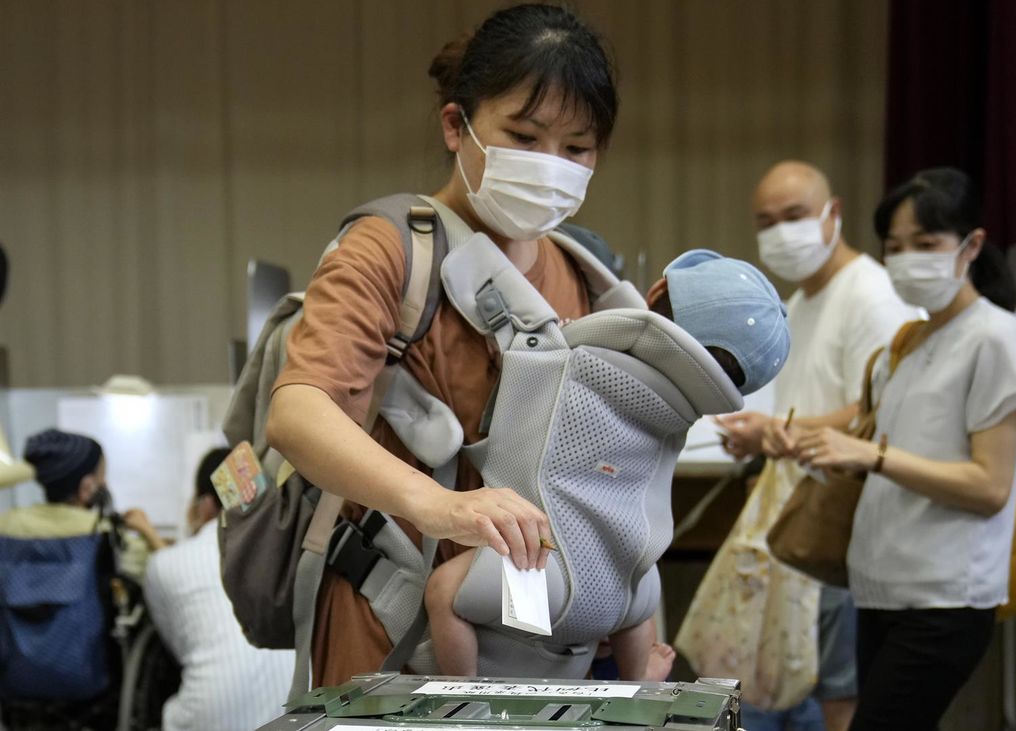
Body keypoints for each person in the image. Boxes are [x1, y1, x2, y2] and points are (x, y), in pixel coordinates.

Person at [265, 4, 630, 686]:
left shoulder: (584, 276)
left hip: (529, 630)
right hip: (390, 618)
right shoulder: (389, 249)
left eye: (576, 148)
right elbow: (297, 412)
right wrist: (440, 507)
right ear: (456, 127)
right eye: (523, 137)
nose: (550, 165)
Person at [423, 249, 789, 680]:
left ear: (653, 292)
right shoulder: (682, 412)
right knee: (639, 581)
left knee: (444, 593)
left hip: (546, 572)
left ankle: (461, 697)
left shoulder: (575, 356)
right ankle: (640, 684)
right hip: (629, 586)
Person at [775, 167, 1016, 729]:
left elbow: (990, 487)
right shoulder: (909, 340)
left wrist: (873, 457)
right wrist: (817, 443)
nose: (906, 259)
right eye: (894, 247)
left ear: (971, 246)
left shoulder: (994, 337)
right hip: (880, 588)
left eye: (926, 244)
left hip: (944, 596)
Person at [702, 161, 913, 731]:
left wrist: (774, 434)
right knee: (797, 684)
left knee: (840, 691)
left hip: (846, 521)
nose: (780, 232)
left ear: (834, 213)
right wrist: (763, 435)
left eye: (794, 216)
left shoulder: (872, 295)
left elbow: (877, 411)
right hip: (803, 517)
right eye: (766, 221)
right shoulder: (797, 304)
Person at [143, 448, 295, 731]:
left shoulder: (162, 564)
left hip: (211, 716)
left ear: (206, 504)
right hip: (298, 704)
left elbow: (177, 644)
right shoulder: (284, 549)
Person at [0, 428, 164, 579]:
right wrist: (147, 531)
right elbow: (170, 577)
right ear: (87, 486)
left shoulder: (7, 524)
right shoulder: (108, 537)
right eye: (101, 475)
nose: (104, 483)